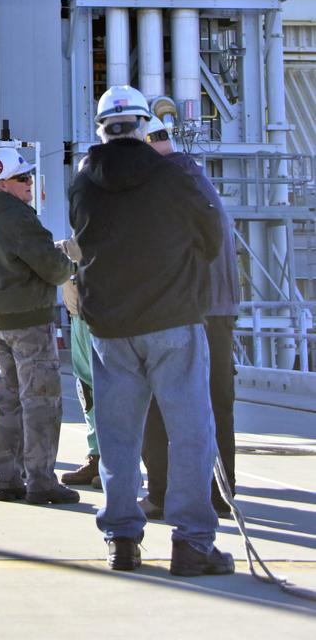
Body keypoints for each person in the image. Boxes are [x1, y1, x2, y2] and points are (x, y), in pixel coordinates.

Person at [69, 85, 234, 578]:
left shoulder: (83, 183)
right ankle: (192, 543)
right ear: (142, 126)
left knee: (119, 436)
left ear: (100, 129)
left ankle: (122, 540)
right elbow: (212, 234)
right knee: (191, 431)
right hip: (172, 320)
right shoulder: (173, 175)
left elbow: (81, 241)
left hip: (110, 327)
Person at [140, 115, 241, 519]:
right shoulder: (198, 179)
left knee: (159, 404)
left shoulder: (162, 185)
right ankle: (222, 493)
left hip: (183, 310)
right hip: (219, 310)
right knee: (218, 404)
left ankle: (162, 493)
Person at [0, 146, 78, 504]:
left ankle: (9, 478)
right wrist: (71, 264)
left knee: (8, 401)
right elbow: (54, 268)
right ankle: (42, 481)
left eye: (28, 175)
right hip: (30, 323)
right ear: (2, 184)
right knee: (41, 401)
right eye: (22, 178)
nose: (30, 182)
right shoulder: (18, 218)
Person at [61, 274, 101, 488]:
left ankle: (116, 463)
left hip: (101, 310)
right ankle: (96, 456)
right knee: (86, 389)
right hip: (78, 312)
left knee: (109, 389)